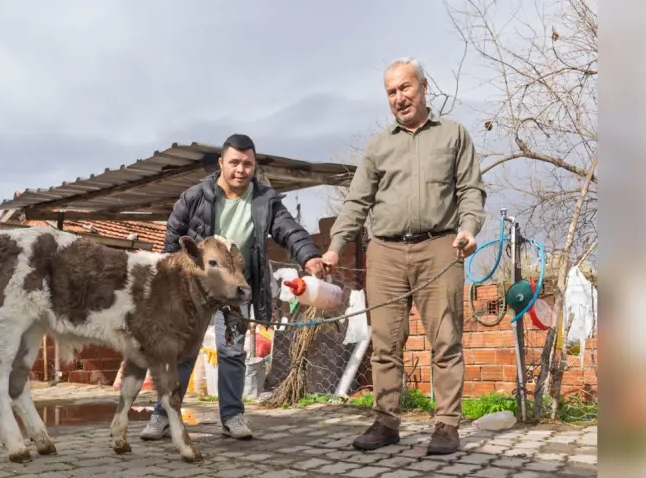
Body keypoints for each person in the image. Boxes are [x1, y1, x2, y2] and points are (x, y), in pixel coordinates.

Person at [322, 57, 486, 455]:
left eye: (405, 88)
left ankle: (446, 425)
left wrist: (469, 228)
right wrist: (334, 247)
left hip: (439, 247)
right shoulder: (379, 146)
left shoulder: (454, 135)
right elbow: (357, 201)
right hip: (386, 253)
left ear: (424, 87)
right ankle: (386, 422)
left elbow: (470, 191)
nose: (399, 98)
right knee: (385, 344)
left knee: (445, 340)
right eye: (391, 92)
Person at [141, 133, 325, 440]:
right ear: (221, 163)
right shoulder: (195, 196)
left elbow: (289, 231)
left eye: (248, 164)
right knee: (183, 353)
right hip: (195, 290)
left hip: (236, 289)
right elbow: (173, 236)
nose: (241, 170)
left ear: (254, 166)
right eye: (235, 163)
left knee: (231, 351)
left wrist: (309, 255)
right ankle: (163, 415)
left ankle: (232, 416)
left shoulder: (265, 200)